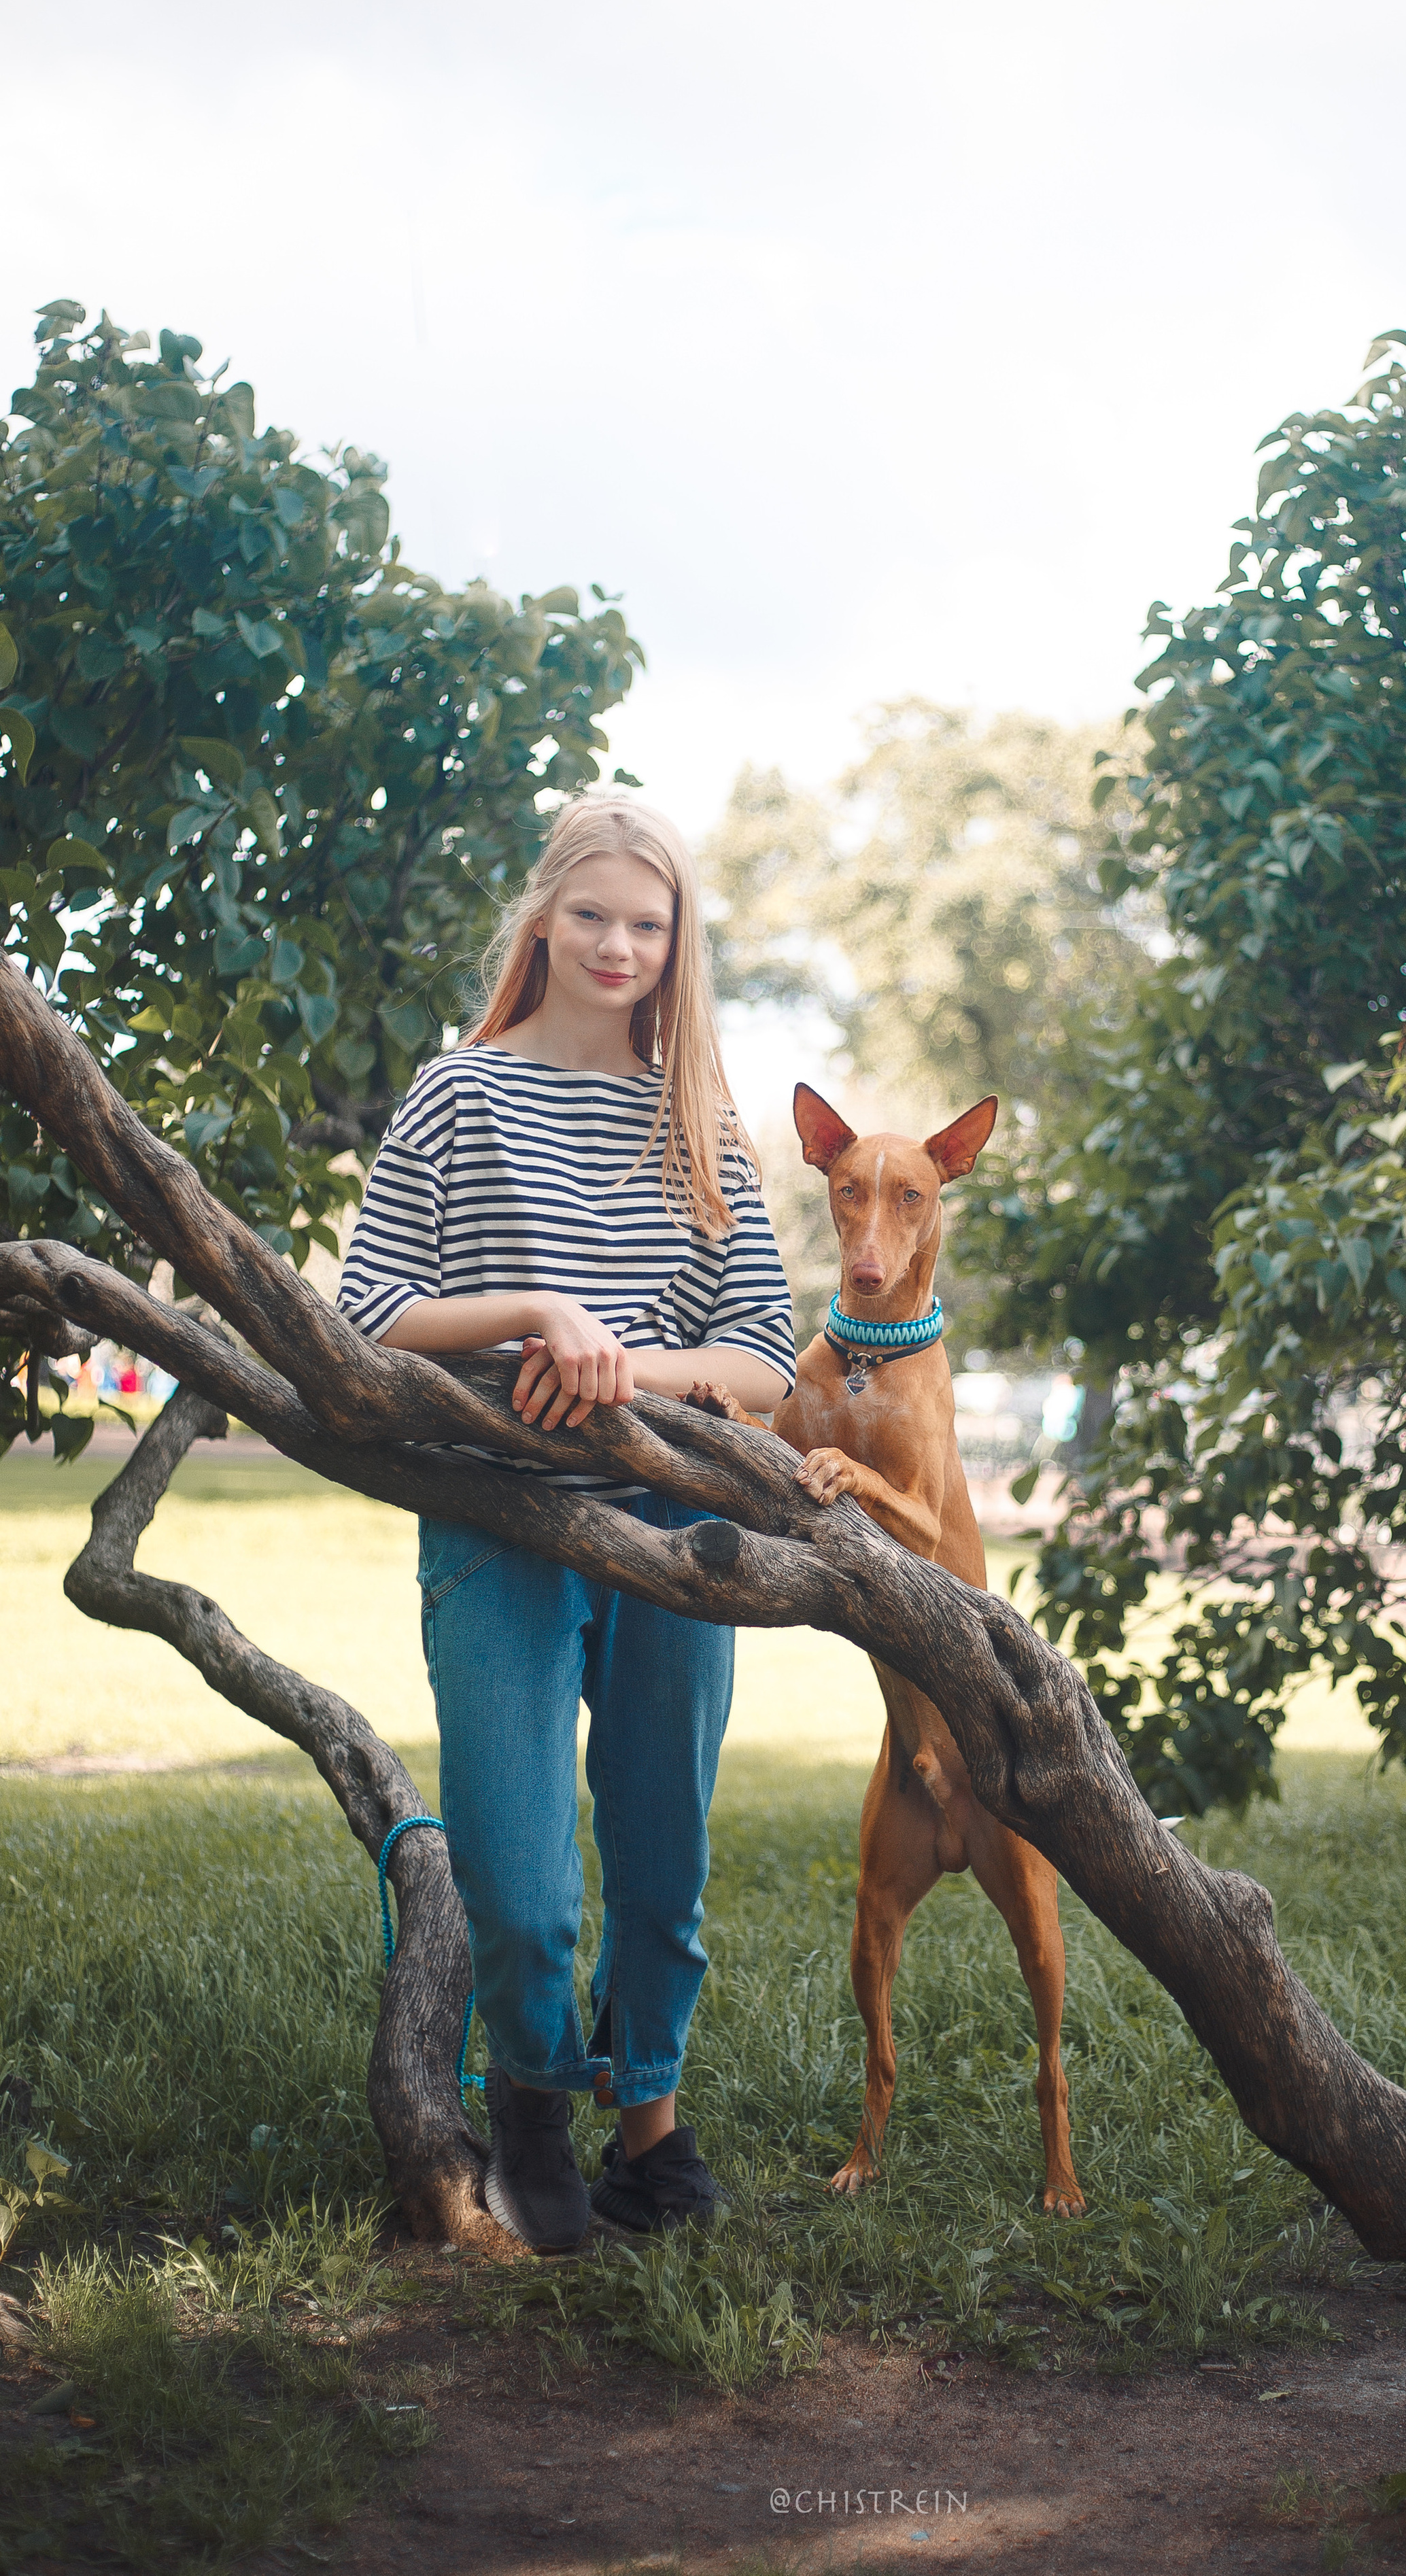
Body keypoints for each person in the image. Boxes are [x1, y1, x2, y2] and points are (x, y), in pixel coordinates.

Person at [338, 794, 795, 2251]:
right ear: (540, 919)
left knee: (663, 1867)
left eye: (647, 925)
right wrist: (541, 1311)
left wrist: (629, 1365)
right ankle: (534, 2106)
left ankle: (649, 2127)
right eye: (591, 914)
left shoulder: (699, 1119)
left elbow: (765, 1361)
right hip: (500, 1522)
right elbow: (366, 1317)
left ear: (678, 948)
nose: (617, 944)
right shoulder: (458, 1094)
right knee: (523, 1886)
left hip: (674, 1532)